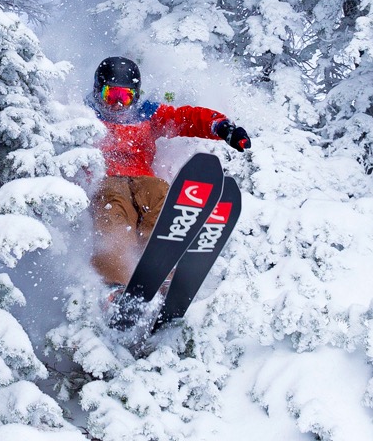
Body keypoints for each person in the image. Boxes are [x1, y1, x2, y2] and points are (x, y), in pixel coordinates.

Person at [87, 56, 251, 288]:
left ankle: (161, 267)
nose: (119, 105)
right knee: (113, 211)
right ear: (97, 92)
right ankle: (115, 282)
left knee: (161, 193)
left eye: (126, 96)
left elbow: (185, 118)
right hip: (106, 179)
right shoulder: (84, 117)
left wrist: (222, 127)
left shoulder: (145, 115)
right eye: (111, 96)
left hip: (142, 178)